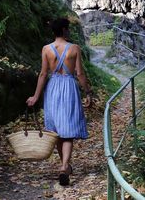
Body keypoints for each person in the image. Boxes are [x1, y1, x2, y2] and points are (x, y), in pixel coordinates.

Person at [26, 17, 92, 186]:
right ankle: (64, 166)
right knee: (68, 129)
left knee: (56, 131)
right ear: (64, 30)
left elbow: (42, 74)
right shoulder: (74, 48)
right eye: (68, 28)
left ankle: (65, 166)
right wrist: (88, 92)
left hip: (53, 88)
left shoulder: (46, 49)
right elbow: (80, 74)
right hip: (69, 87)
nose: (69, 31)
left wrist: (35, 96)